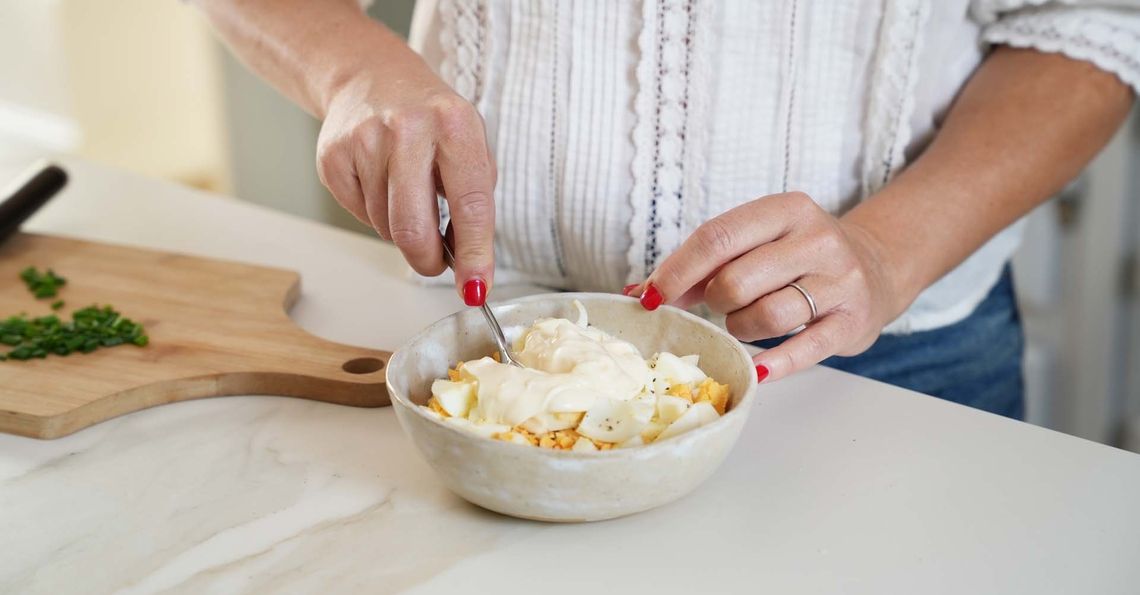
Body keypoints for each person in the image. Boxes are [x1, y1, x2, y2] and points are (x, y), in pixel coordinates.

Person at [193, 0, 1137, 419]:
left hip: (885, 359)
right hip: (477, 333)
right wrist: (352, 69)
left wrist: (887, 252)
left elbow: (1091, 19)